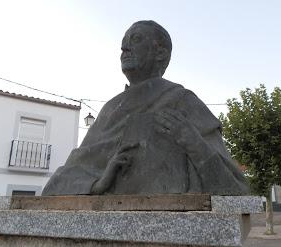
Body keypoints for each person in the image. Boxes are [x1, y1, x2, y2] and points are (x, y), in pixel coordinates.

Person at [42, 20, 249, 196]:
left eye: (136, 39)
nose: (124, 48)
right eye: (123, 43)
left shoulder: (183, 102)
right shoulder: (109, 109)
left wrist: (194, 143)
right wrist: (97, 185)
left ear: (160, 53)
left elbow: (235, 189)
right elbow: (59, 181)